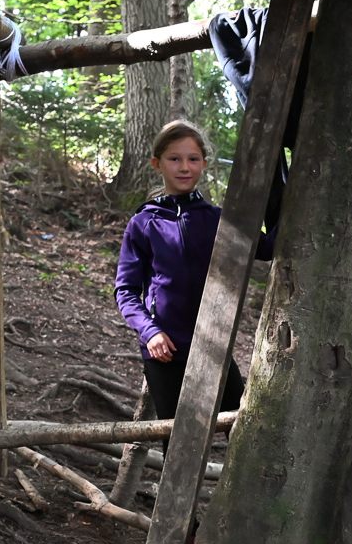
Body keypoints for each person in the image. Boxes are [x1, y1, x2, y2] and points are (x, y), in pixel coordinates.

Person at [114, 120, 271, 420]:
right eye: (175, 159)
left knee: (241, 423)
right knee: (173, 439)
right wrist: (150, 333)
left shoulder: (218, 219)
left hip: (213, 344)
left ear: (204, 164)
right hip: (166, 350)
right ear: (157, 164)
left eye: (193, 159)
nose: (184, 167)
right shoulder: (144, 223)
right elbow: (125, 291)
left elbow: (266, 248)